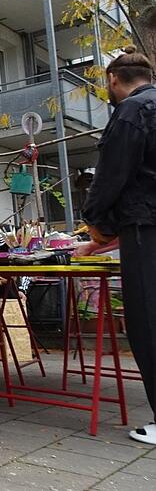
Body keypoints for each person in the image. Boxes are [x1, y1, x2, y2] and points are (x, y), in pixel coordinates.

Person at [81, 45, 156, 445]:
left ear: (113, 80)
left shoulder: (131, 112)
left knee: (148, 321)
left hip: (146, 227)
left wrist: (97, 226)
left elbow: (112, 176)